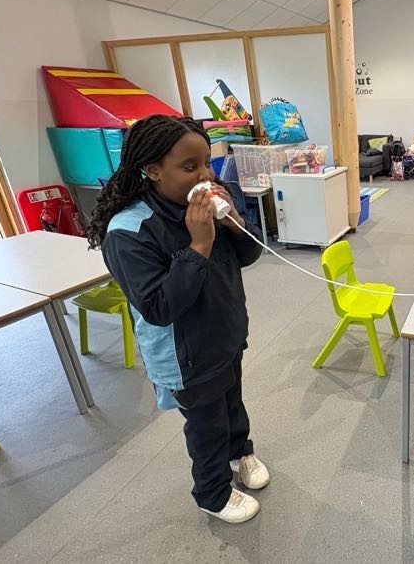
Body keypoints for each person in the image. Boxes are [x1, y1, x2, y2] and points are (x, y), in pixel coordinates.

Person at [86, 114, 268, 524]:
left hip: (224, 334)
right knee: (207, 425)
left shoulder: (206, 204)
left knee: (232, 404)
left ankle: (240, 452)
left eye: (206, 163)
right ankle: (212, 493)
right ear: (153, 170)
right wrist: (199, 244)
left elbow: (249, 255)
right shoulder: (129, 230)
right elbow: (158, 307)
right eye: (190, 167)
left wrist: (235, 225)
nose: (205, 175)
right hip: (186, 354)